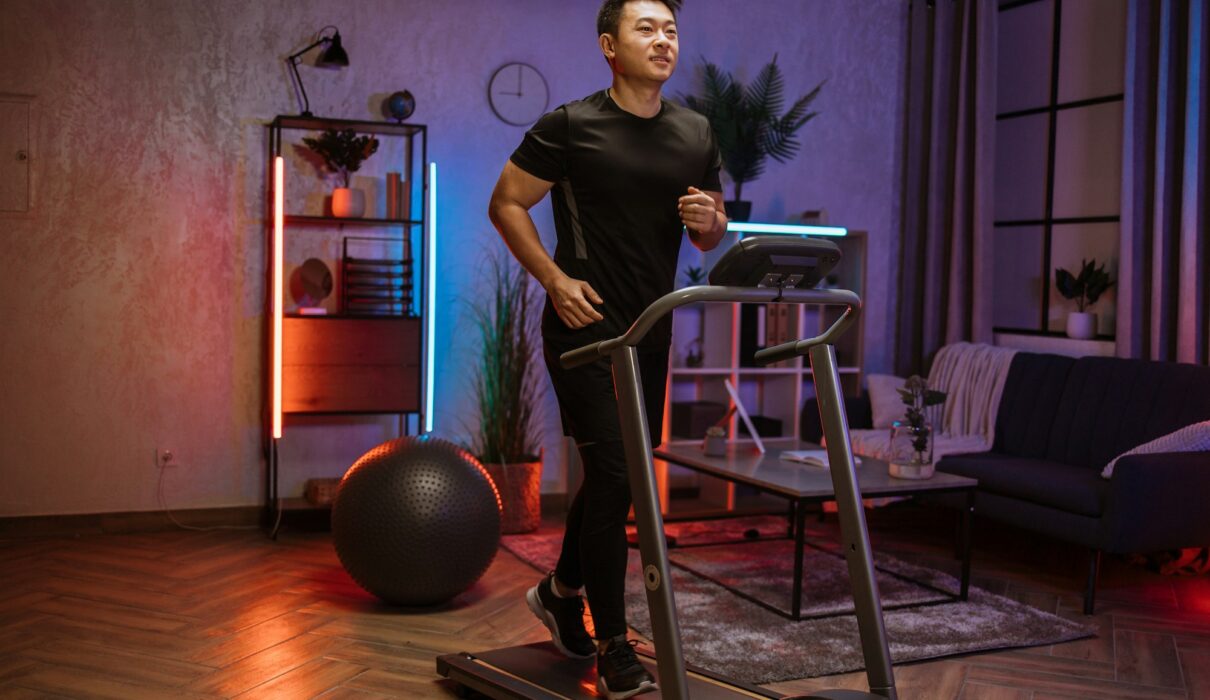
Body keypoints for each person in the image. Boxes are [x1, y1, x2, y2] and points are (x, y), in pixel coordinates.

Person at [487, 0, 726, 697]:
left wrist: (713, 221)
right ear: (608, 46)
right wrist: (555, 279)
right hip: (585, 327)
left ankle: (562, 589)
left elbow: (710, 230)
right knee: (619, 478)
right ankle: (612, 645)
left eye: (671, 29)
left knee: (615, 474)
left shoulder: (695, 131)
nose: (663, 40)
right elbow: (506, 200)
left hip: (650, 329)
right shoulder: (571, 125)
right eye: (646, 28)